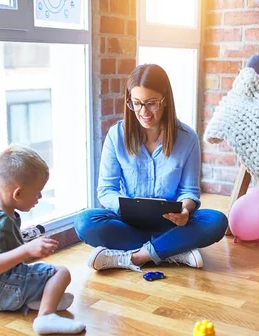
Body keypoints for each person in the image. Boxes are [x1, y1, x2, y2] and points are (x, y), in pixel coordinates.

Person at [74, 64, 228, 272]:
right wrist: (124, 208)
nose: (143, 112)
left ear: (165, 100)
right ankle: (173, 250)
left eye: (151, 103)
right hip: (128, 222)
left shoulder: (187, 138)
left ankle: (136, 257)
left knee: (216, 221)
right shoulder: (116, 135)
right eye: (136, 103)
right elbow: (106, 190)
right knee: (85, 222)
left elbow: (189, 191)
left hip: (172, 223)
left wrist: (184, 210)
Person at [0, 144, 85, 335]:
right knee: (61, 273)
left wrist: (20, 238)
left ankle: (36, 300)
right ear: (17, 193)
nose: (39, 197)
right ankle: (46, 316)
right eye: (37, 192)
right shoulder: (1, 224)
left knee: (47, 277)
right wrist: (27, 250)